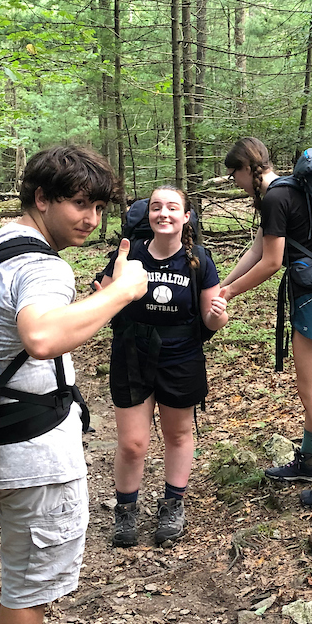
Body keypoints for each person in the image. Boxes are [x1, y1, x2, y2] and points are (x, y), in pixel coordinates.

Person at [0, 144, 148, 624]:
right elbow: (42, 336)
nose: (91, 219)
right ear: (40, 198)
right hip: (34, 445)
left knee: (26, 568)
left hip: (1, 432)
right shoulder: (42, 264)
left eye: (99, 206)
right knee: (32, 582)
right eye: (78, 203)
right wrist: (124, 291)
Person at [219, 137, 312, 507]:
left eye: (234, 175)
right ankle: (309, 462)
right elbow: (257, 248)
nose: (236, 182)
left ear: (248, 168)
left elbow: (270, 261)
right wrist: (223, 284)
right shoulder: (289, 189)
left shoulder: (277, 197)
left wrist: (230, 294)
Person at [98, 185, 229, 548]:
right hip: (132, 354)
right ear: (148, 216)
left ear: (186, 217)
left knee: (177, 435)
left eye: (173, 208)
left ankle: (173, 503)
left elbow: (211, 320)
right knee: (133, 443)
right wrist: (101, 296)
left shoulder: (199, 259)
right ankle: (126, 510)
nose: (164, 214)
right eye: (156, 207)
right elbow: (102, 304)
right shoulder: (130, 255)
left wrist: (219, 315)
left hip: (181, 356)